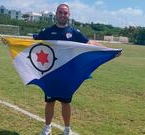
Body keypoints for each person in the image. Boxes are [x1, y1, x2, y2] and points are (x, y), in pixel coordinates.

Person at [34, 4, 112, 135]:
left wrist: (109, 50)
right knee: (50, 102)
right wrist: (10, 41)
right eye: (60, 12)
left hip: (67, 75)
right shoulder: (47, 31)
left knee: (66, 103)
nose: (63, 15)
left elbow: (90, 44)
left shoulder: (74, 32)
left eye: (65, 13)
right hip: (51, 73)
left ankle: (67, 129)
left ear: (68, 15)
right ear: (56, 14)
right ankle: (47, 127)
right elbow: (31, 42)